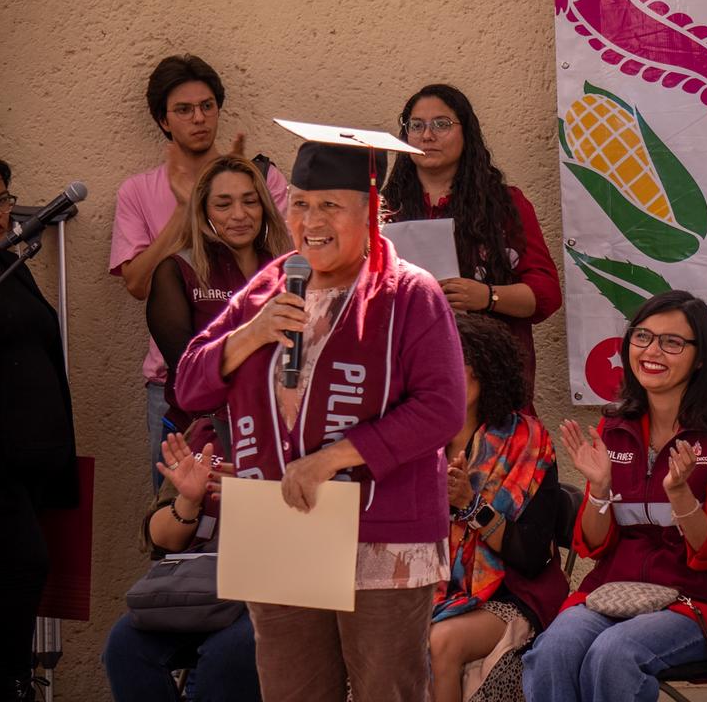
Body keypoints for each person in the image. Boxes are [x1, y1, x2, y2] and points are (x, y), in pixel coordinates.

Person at [175, 137, 465, 701]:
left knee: (387, 689)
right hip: (281, 523)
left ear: (370, 210)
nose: (312, 220)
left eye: (330, 205)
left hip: (379, 531)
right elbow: (188, 384)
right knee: (293, 691)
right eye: (301, 203)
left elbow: (441, 409)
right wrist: (250, 335)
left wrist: (332, 458)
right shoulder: (267, 287)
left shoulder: (409, 294)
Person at [522, 290, 707, 702]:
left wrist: (681, 494)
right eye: (643, 337)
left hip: (697, 601)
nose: (653, 352)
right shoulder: (615, 424)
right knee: (553, 649)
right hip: (613, 591)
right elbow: (594, 545)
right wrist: (599, 490)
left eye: (672, 342)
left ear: (700, 357)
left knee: (614, 653)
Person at [109, 54, 288, 490]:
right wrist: (187, 214)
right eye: (184, 110)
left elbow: (286, 259)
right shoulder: (137, 191)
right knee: (181, 519)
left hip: (266, 386)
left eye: (208, 106)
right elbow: (137, 284)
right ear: (163, 121)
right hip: (172, 381)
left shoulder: (263, 179)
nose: (199, 118)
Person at [382, 84, 561, 402]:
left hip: (488, 377)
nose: (427, 135)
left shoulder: (505, 205)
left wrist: (488, 296)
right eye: (416, 125)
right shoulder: (383, 209)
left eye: (442, 124)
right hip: (405, 373)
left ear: (467, 133)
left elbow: (546, 295)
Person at [431, 314, 567, 702]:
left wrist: (468, 505)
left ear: (487, 370)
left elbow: (532, 556)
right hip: (430, 589)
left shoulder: (528, 443)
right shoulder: (418, 439)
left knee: (440, 641)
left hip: (511, 593)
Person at [0, 159, 79, 702]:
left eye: (2, 196)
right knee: (25, 564)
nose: (1, 209)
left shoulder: (11, 263)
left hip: (28, 459)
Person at [102, 430, 260, 702]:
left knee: (228, 652)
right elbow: (160, 539)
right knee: (124, 644)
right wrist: (188, 501)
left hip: (278, 588)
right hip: (209, 588)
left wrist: (267, 493)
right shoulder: (206, 430)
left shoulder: (311, 428)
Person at [146, 154, 290, 435]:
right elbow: (188, 371)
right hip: (201, 436)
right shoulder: (177, 271)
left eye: (250, 201)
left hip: (271, 433)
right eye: (223, 205)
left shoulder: (287, 270)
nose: (239, 214)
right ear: (204, 211)